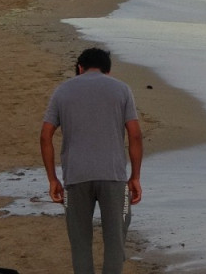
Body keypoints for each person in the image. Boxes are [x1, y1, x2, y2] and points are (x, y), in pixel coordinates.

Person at [41, 47, 143, 274]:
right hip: (113, 177)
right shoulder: (121, 90)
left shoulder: (62, 91)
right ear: (108, 70)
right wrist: (135, 177)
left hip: (76, 177)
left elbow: (45, 135)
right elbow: (135, 135)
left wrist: (52, 179)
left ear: (80, 68)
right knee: (115, 243)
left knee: (80, 245)